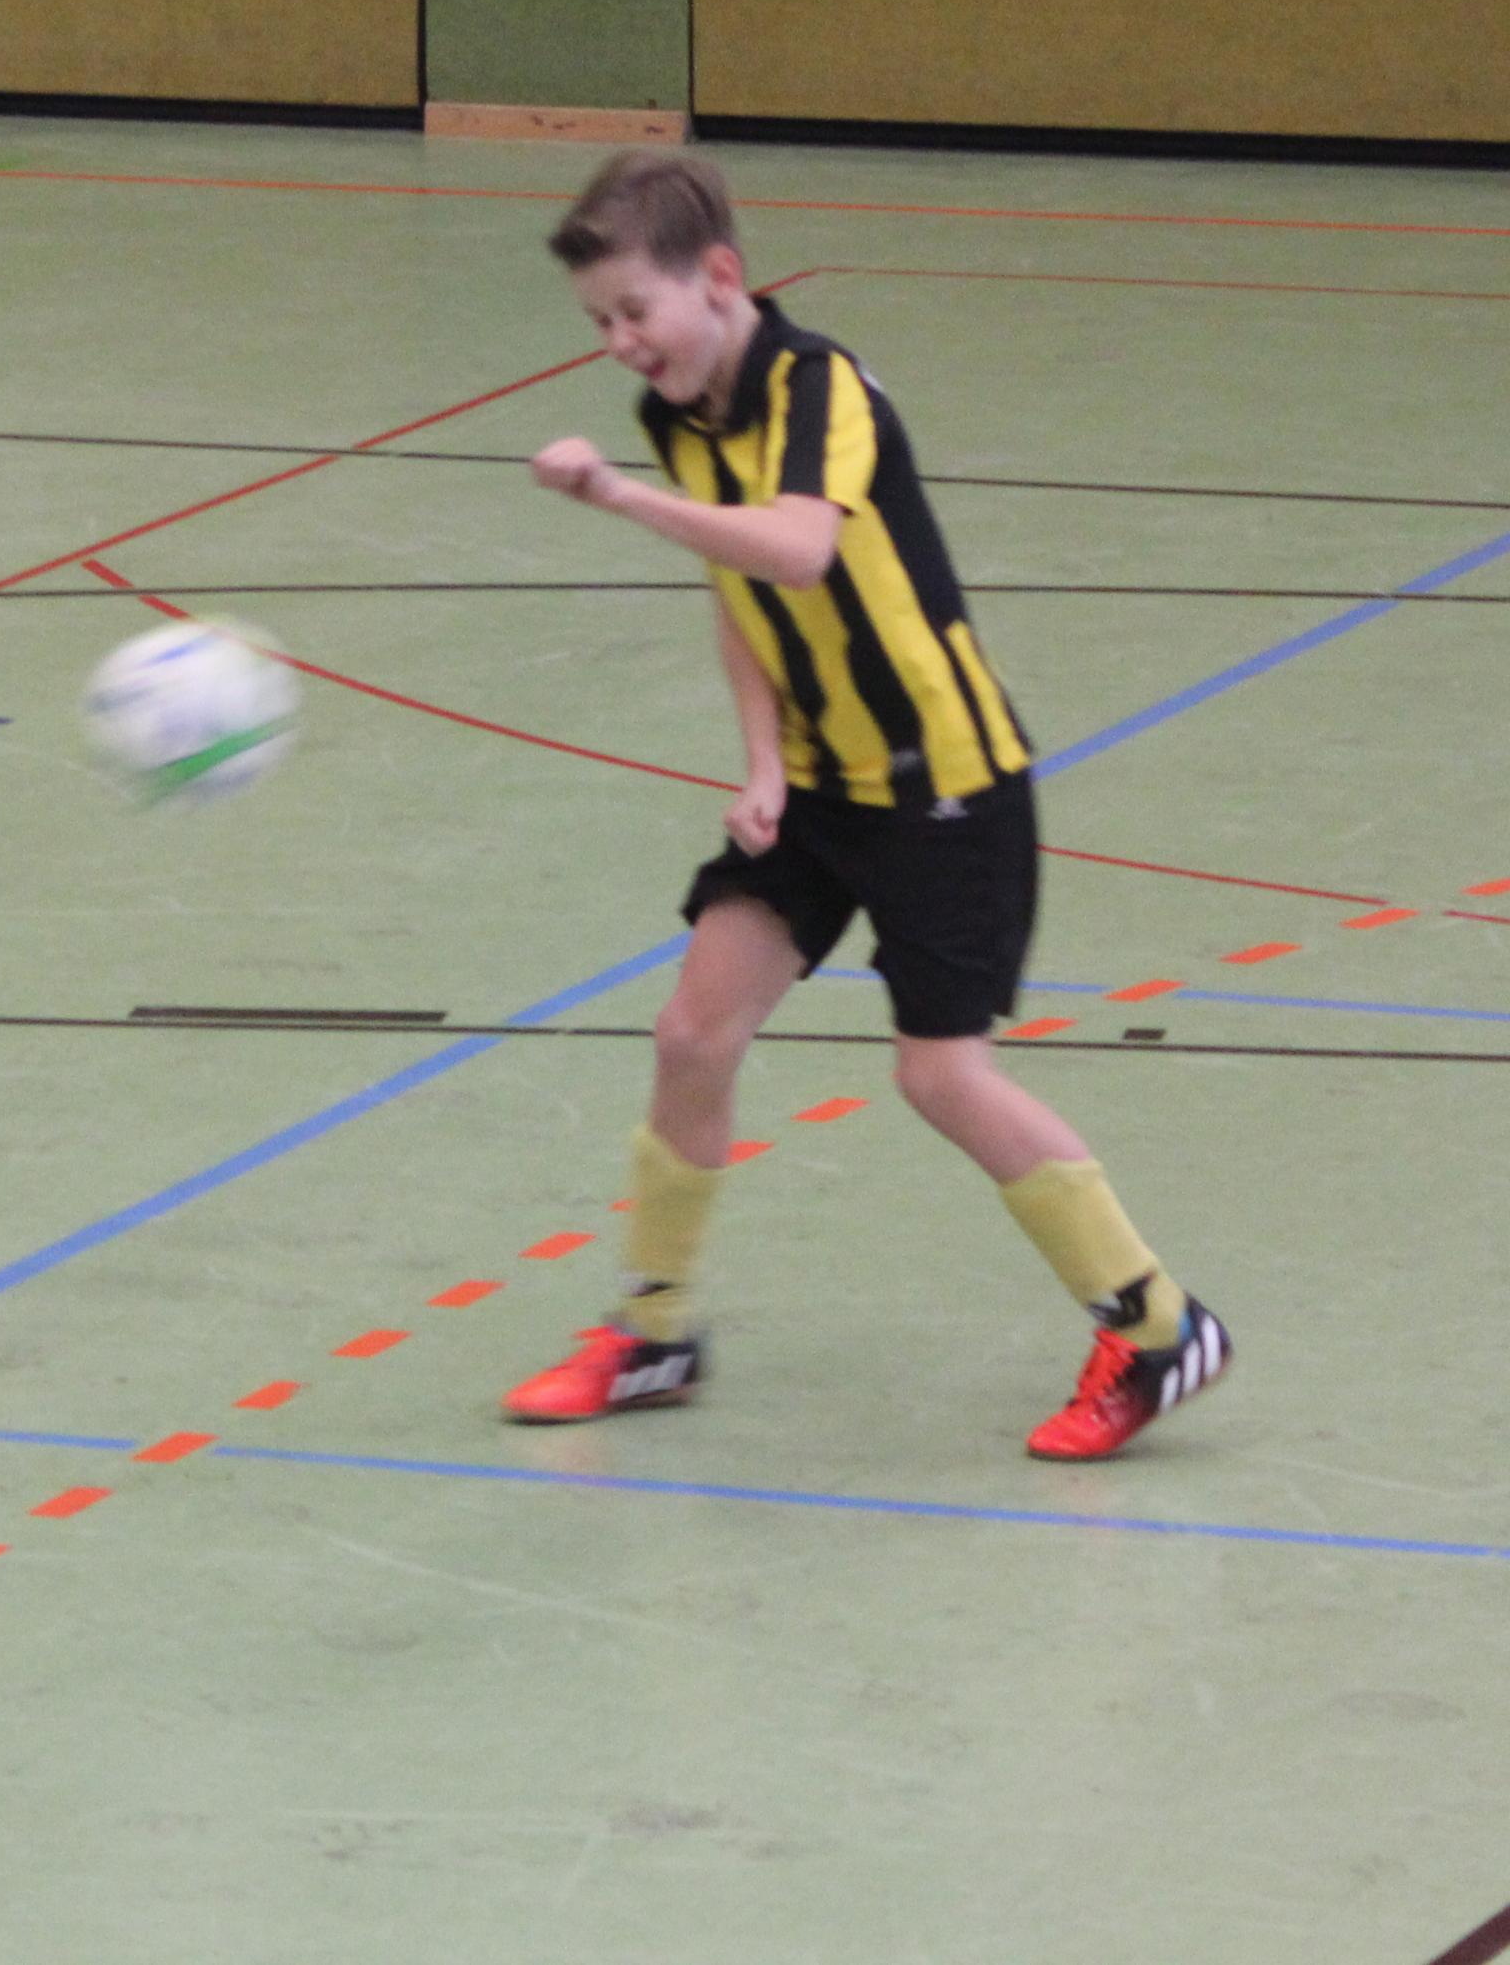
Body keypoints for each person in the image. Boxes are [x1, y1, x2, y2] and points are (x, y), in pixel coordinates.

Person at [505, 148, 1227, 1460]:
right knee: (691, 1034)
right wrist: (762, 761)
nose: (619, 344)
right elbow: (742, 597)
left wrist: (615, 495)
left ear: (720, 276)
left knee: (940, 1075)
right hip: (822, 787)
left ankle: (1158, 1326)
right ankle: (655, 1331)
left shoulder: (814, 384)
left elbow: (796, 546)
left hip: (946, 781)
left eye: (635, 312)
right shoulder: (679, 416)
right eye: (599, 322)